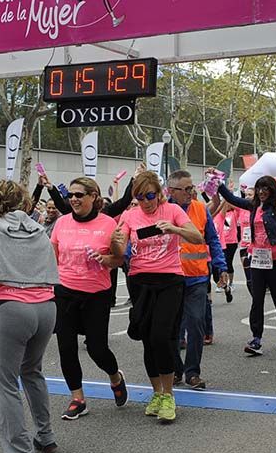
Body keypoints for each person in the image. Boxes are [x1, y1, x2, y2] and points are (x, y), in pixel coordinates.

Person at [0, 181, 60, 453]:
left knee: (6, 380)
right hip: (46, 304)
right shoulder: (37, 228)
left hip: (12, 306)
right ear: (23, 201)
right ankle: (45, 436)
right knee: (33, 371)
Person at [120, 171, 202, 422]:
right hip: (140, 281)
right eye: (140, 197)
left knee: (161, 336)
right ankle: (157, 393)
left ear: (159, 192)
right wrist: (115, 243)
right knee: (147, 338)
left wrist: (174, 228)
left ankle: (168, 395)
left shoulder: (173, 211)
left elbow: (197, 238)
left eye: (151, 195)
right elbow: (120, 244)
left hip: (170, 280)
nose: (146, 201)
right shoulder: (130, 215)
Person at [50, 177, 128, 419]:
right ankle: (77, 398)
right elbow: (53, 258)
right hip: (64, 292)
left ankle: (115, 377)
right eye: (71, 195)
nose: (73, 199)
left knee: (97, 348)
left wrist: (106, 259)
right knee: (66, 348)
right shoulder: (61, 223)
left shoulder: (107, 224)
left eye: (79, 195)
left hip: (96, 294)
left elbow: (120, 260)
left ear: (93, 197)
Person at [217, 176, 276, 356]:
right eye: (259, 188)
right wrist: (218, 182)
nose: (261, 191)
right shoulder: (253, 205)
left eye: (265, 188)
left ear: (272, 190)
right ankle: (256, 339)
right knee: (257, 298)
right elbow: (232, 198)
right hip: (258, 257)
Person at [168, 171, 227, 391]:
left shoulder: (200, 209)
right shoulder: (162, 210)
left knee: (195, 324)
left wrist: (221, 266)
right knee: (172, 328)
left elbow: (212, 239)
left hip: (197, 278)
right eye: (187, 189)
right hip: (170, 279)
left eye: (192, 187)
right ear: (171, 191)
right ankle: (174, 369)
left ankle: (193, 372)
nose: (192, 192)